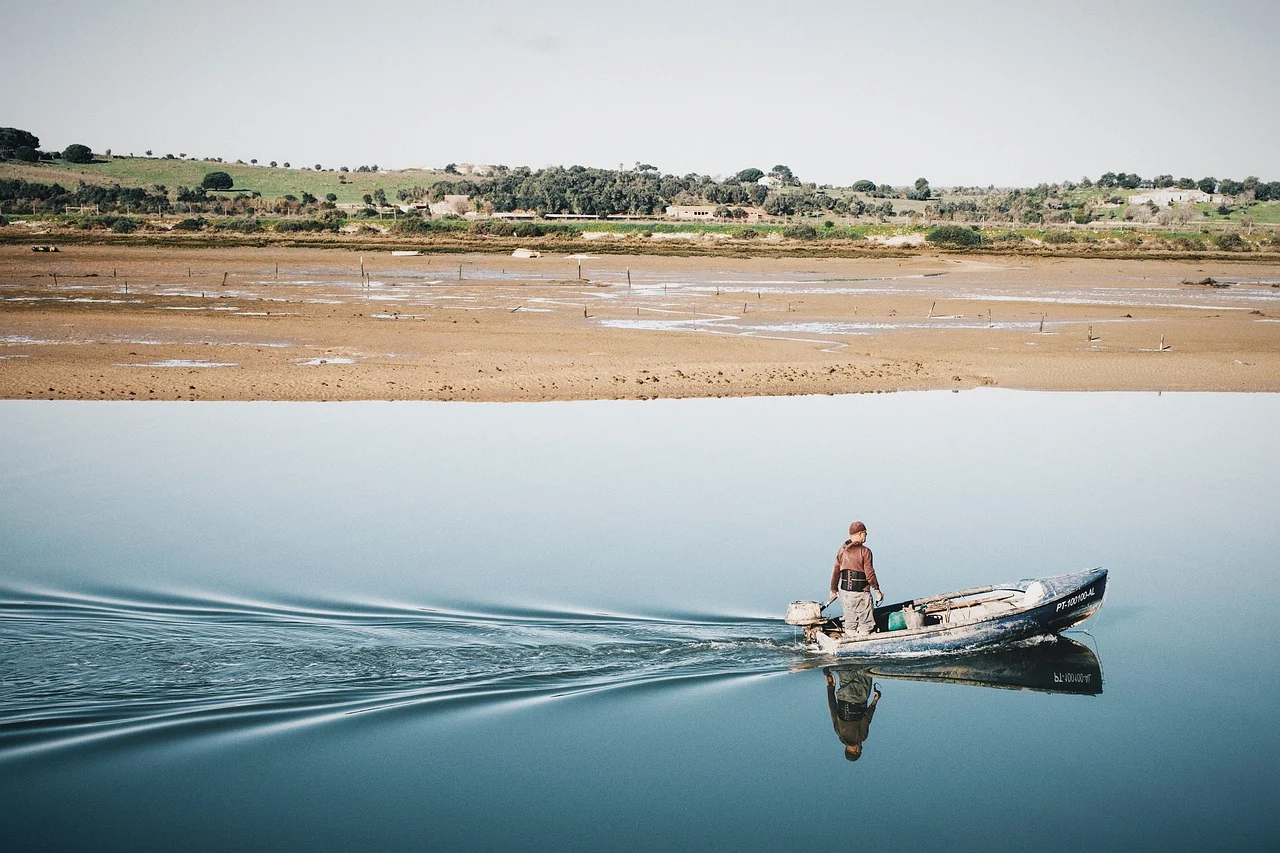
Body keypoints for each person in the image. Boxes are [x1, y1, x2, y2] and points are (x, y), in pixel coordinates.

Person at [829, 521, 883, 635]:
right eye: (865, 533)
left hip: (845, 593)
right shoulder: (865, 551)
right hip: (861, 593)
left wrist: (833, 590)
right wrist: (877, 591)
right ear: (859, 534)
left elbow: (836, 571)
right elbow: (870, 574)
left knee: (850, 622)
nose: (866, 536)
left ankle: (848, 642)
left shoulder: (841, 550)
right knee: (866, 623)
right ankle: (861, 645)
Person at [825, 666, 881, 761]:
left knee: (867, 665)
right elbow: (833, 710)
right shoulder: (839, 732)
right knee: (845, 664)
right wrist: (830, 687)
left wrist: (874, 701)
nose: (861, 748)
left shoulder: (861, 737)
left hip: (859, 694)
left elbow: (867, 719)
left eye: (860, 750)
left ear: (855, 751)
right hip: (843, 694)